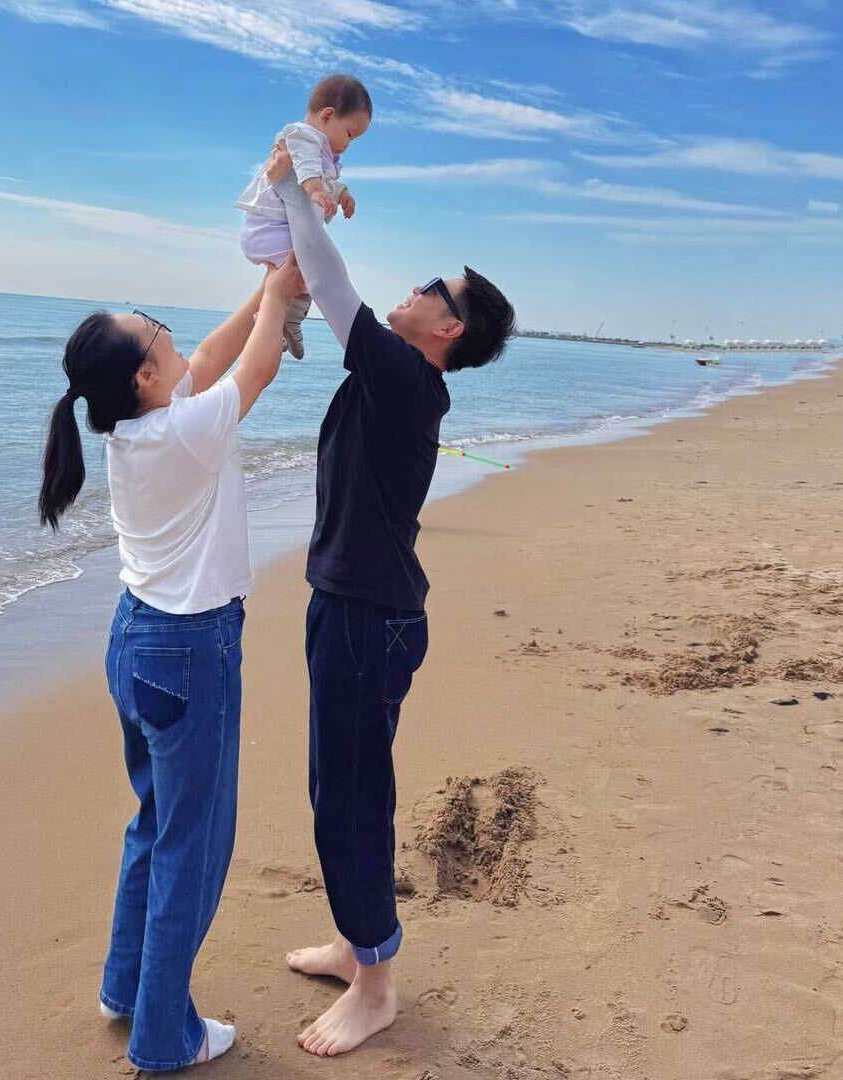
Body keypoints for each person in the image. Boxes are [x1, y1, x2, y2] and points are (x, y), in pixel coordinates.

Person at [265, 143, 516, 1057]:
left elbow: (333, 287)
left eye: (430, 289)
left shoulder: (410, 382)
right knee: (335, 785)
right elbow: (318, 293)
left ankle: (376, 986)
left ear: (447, 328)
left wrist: (292, 189)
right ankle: (354, 942)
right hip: (354, 609)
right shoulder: (395, 381)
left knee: (353, 798)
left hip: (368, 621)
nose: (411, 290)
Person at [37, 255, 306, 1072]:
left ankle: (125, 989)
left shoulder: (140, 427)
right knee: (194, 845)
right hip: (189, 652)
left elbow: (218, 356)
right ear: (147, 376)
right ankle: (164, 1037)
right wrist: (281, 292)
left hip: (137, 644)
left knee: (155, 827)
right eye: (157, 329)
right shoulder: (184, 431)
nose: (170, 330)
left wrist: (271, 285)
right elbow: (256, 366)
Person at [236, 73, 371, 360]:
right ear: (328, 115)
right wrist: (316, 191)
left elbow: (326, 179)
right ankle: (272, 320)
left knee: (307, 272)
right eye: (349, 134)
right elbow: (306, 167)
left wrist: (341, 193)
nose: (349, 144)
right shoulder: (303, 137)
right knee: (308, 270)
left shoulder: (321, 150)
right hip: (268, 227)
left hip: (279, 227)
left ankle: (286, 321)